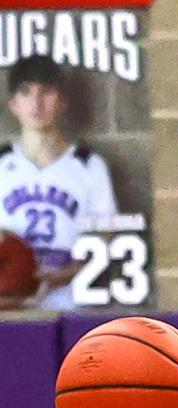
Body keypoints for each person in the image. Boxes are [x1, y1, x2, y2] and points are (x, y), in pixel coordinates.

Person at [0, 55, 119, 310]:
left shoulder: (90, 166)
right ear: (13, 104)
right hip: (10, 307)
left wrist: (66, 273)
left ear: (62, 102)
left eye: (46, 91)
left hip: (72, 302)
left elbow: (106, 240)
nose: (37, 102)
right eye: (26, 92)